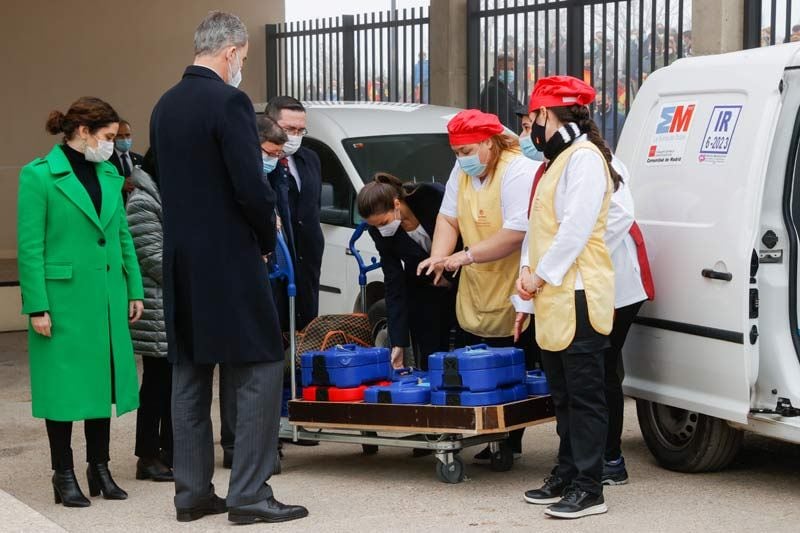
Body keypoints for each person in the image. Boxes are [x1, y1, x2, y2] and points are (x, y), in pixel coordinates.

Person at [150, 11, 307, 524]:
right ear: (232, 52)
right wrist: (266, 239)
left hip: (182, 261)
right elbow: (249, 186)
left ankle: (192, 492)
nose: (242, 64)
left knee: (190, 374)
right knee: (261, 366)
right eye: (243, 56)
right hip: (229, 259)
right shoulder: (230, 101)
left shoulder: (165, 104)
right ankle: (249, 493)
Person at [17, 96, 144, 507]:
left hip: (107, 296)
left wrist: (135, 288)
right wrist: (37, 305)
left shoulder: (107, 172)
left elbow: (122, 235)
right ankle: (64, 473)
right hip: (63, 301)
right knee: (64, 389)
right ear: (84, 132)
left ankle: (100, 468)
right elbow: (30, 246)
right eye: (108, 136)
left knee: (101, 384)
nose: (113, 144)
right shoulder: (37, 176)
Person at [518, 76, 617, 519]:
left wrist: (538, 276)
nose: (528, 128)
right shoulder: (556, 161)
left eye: (531, 118)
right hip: (551, 294)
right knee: (562, 393)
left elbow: (575, 231)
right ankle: (567, 469)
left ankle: (589, 485)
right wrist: (526, 278)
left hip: (577, 292)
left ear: (546, 115)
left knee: (584, 395)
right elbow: (538, 228)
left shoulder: (584, 159)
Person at [417, 109, 538, 461]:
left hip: (512, 280)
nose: (461, 160)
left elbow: (517, 233)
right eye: (456, 154)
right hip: (475, 284)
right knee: (475, 362)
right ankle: (485, 433)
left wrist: (464, 257)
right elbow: (448, 217)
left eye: (467, 152)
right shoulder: (464, 167)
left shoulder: (517, 169)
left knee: (511, 367)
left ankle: (508, 441)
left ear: (488, 143)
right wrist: (440, 258)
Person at [219, 114, 288, 471]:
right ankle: (236, 444)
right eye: (268, 151)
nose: (273, 158)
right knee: (239, 365)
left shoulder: (274, 173)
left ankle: (263, 441)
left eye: (278, 153)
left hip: (271, 275)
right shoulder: (234, 175)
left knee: (264, 362)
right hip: (240, 276)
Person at [357, 173, 456, 371]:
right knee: (432, 354)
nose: (380, 229)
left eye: (383, 223)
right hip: (424, 286)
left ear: (396, 203)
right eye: (374, 226)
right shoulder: (379, 232)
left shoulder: (431, 196)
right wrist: (398, 343)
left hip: (463, 273)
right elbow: (393, 283)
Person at [126, 149, 174, 483]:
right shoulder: (143, 200)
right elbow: (153, 258)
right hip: (158, 307)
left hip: (173, 302)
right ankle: (147, 455)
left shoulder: (168, 195)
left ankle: (170, 449)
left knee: (174, 383)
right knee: (157, 384)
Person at [265, 96, 324, 332]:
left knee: (305, 329)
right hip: (274, 260)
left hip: (307, 260)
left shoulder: (309, 159)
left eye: (301, 130)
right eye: (289, 129)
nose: (295, 136)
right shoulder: (261, 161)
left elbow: (314, 206)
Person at [480, 54, 524, 130]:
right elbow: (503, 122)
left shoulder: (501, 88)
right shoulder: (494, 91)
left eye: (512, 69)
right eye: (509, 69)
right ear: (498, 70)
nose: (511, 72)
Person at [109, 120, 143, 201]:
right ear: (113, 138)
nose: (124, 139)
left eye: (127, 135)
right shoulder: (106, 161)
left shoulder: (140, 159)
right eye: (120, 136)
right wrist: (120, 184)